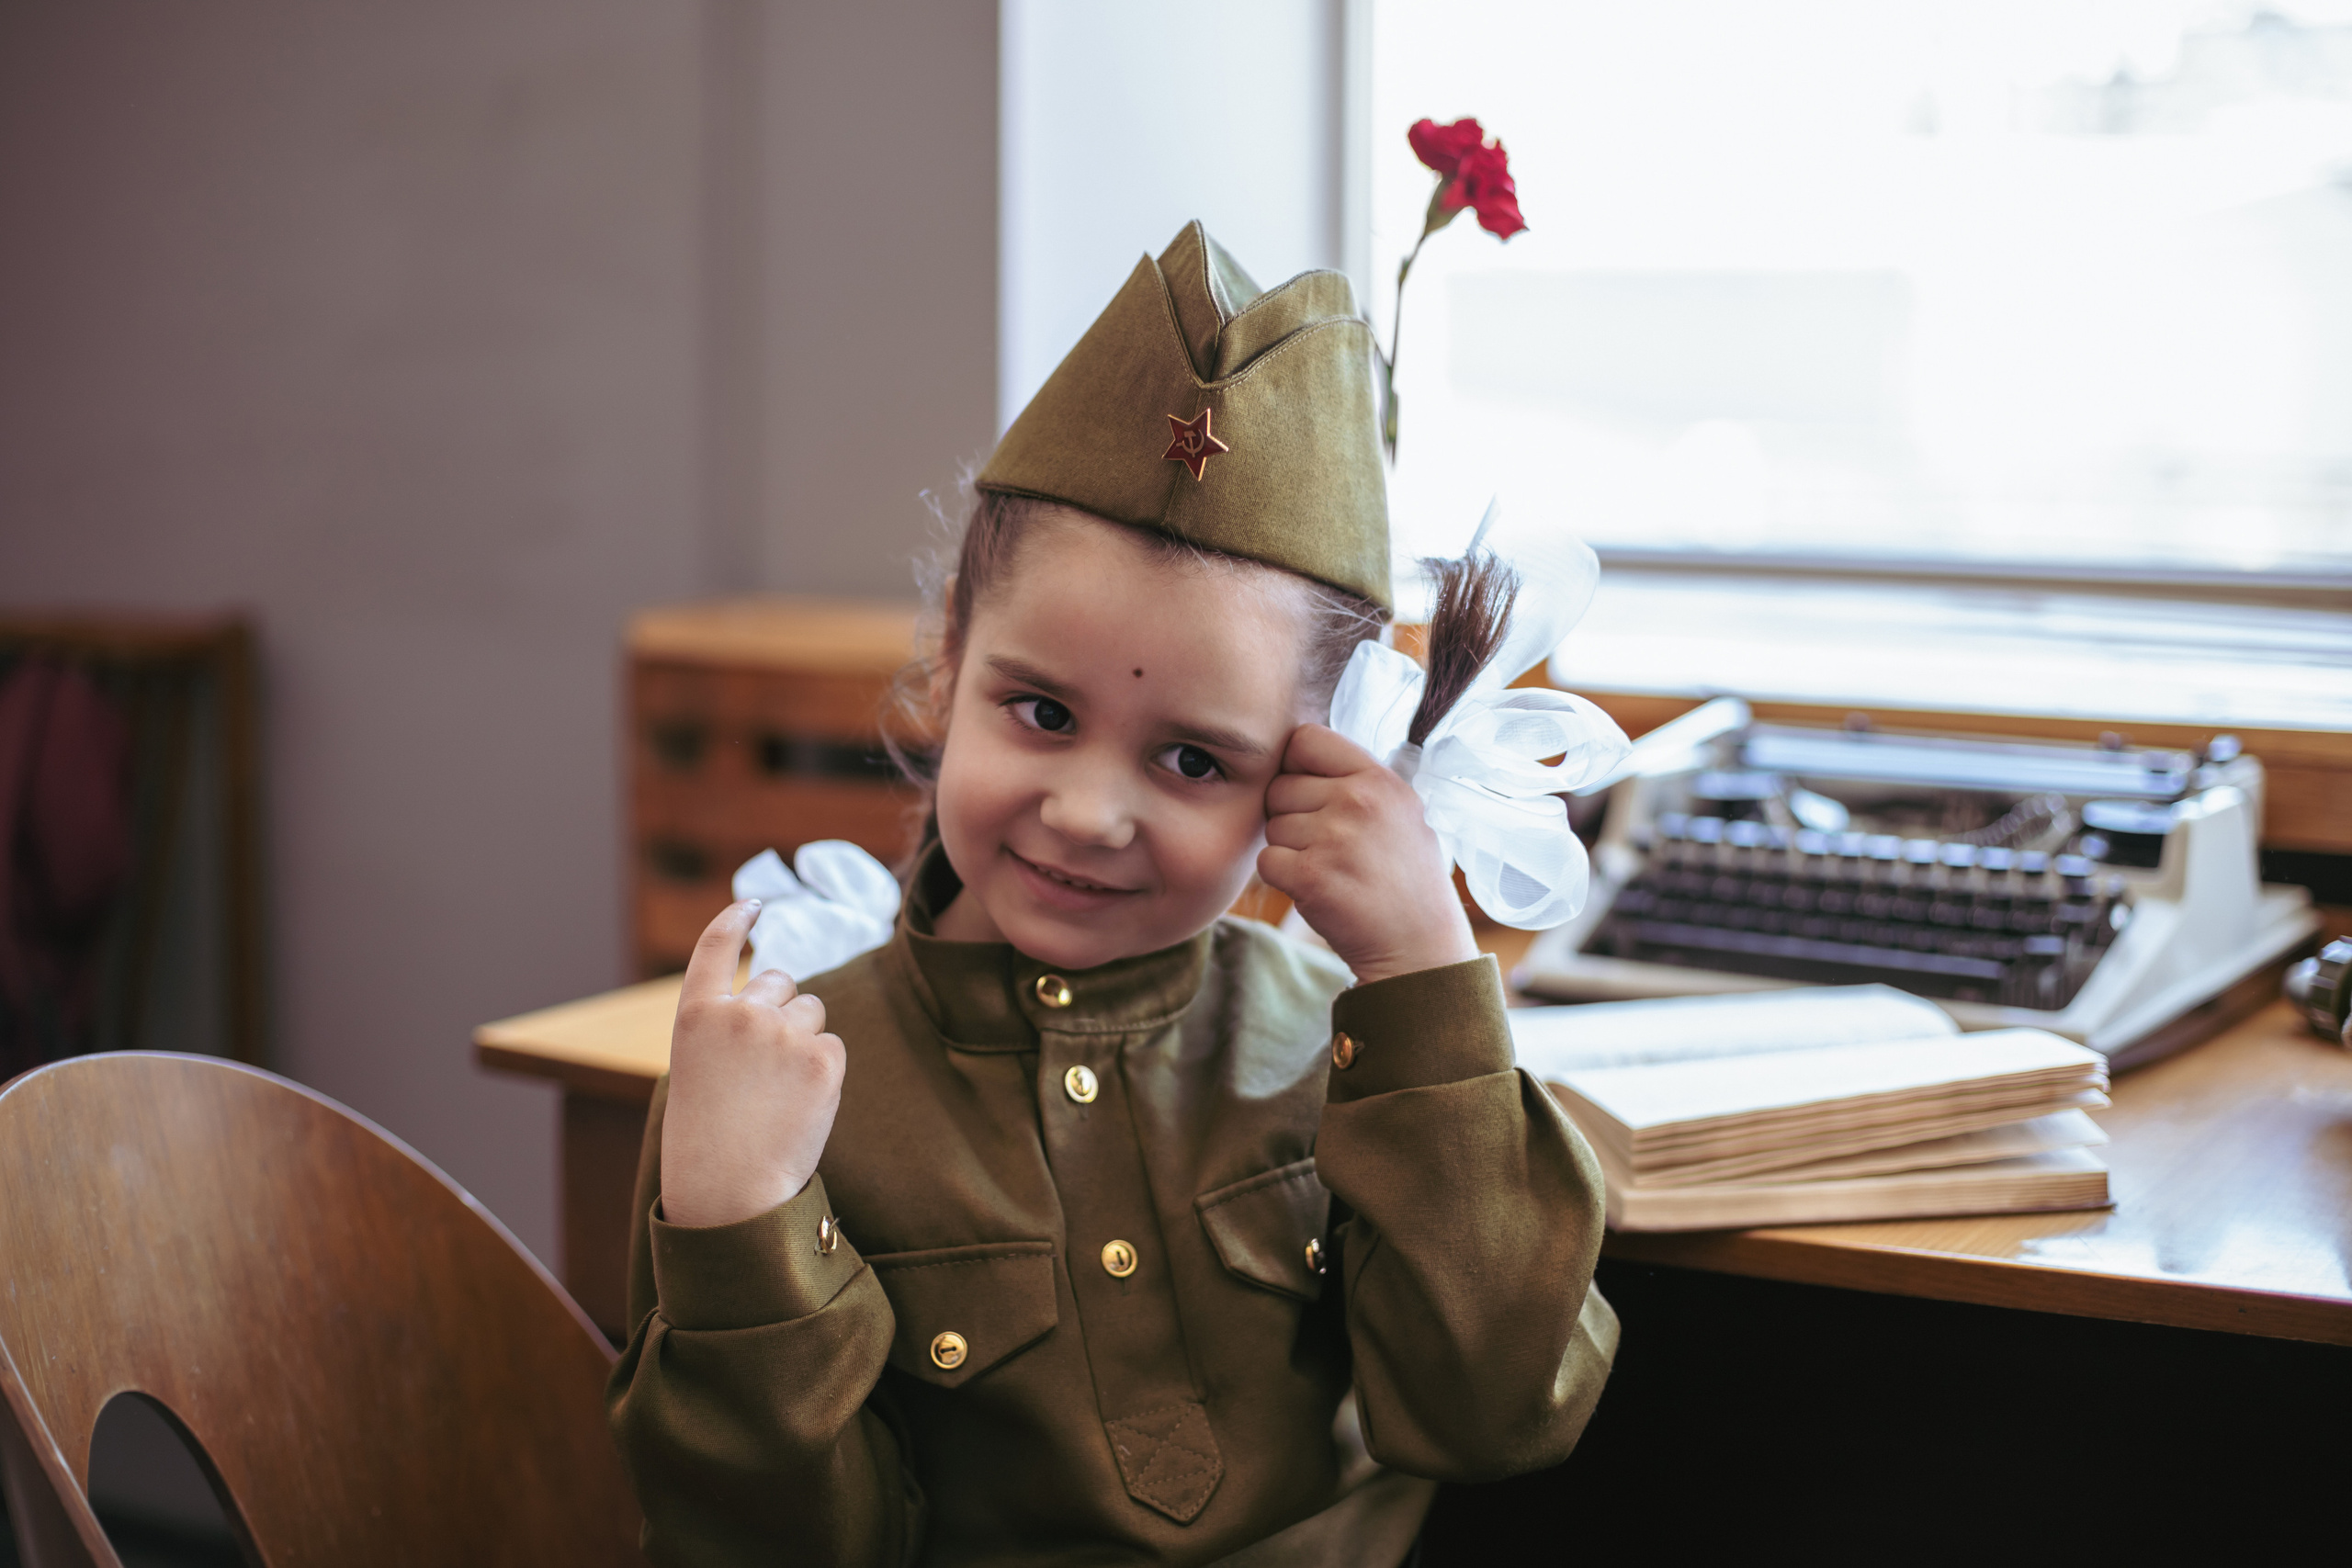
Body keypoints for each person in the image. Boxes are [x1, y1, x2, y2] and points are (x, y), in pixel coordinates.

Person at [606, 222, 1619, 1567]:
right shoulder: (783, 1094)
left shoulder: (1358, 1049)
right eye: (1037, 710)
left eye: (1196, 758)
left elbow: (1492, 1417)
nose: (1088, 811)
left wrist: (1430, 978)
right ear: (951, 665)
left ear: (1318, 770)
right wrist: (738, 1223)